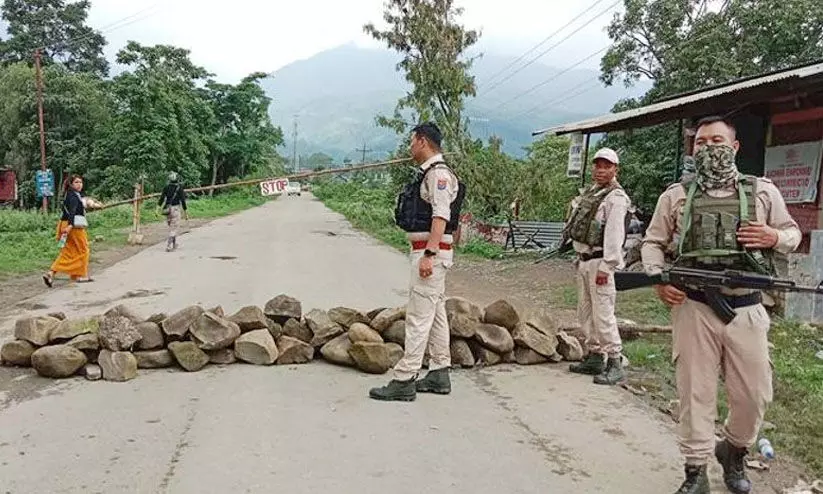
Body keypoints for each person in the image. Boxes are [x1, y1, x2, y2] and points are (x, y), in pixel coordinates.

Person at [641, 116, 801, 494]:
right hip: (694, 305)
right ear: (692, 149)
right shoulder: (676, 196)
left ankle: (733, 449)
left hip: (746, 308)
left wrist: (772, 234)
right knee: (694, 392)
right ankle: (695, 472)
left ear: (735, 147)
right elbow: (653, 242)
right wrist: (658, 279)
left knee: (755, 394)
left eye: (717, 140)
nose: (708, 147)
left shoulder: (762, 192)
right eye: (700, 142)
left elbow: (793, 234)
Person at [369, 122, 465, 402]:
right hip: (427, 251)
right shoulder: (430, 173)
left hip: (430, 253)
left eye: (412, 141)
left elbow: (441, 215)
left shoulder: (439, 175)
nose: (409, 147)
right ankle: (439, 371)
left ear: (422, 141)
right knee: (434, 315)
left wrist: (430, 254)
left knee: (418, 317)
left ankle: (404, 378)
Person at [566, 148, 632, 385]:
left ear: (616, 169)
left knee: (603, 313)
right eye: (597, 165)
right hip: (585, 259)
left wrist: (608, 266)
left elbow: (614, 235)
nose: (600, 170)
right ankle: (594, 355)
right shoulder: (593, 193)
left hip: (601, 262)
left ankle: (614, 360)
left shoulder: (616, 198)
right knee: (585, 310)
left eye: (606, 166)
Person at [43, 174, 92, 286]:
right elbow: (73, 211)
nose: (79, 185)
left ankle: (51, 273)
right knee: (84, 249)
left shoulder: (69, 194)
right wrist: (70, 225)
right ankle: (82, 275)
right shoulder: (73, 196)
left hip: (63, 224)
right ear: (71, 184)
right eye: (76, 182)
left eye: (80, 182)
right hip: (73, 226)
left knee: (68, 251)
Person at [158, 172, 188, 252]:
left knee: (172, 227)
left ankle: (174, 244)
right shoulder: (179, 187)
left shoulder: (166, 187)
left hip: (167, 210)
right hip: (175, 210)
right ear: (177, 179)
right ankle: (169, 246)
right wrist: (185, 212)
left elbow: (161, 199)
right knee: (173, 229)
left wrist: (157, 209)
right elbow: (183, 200)